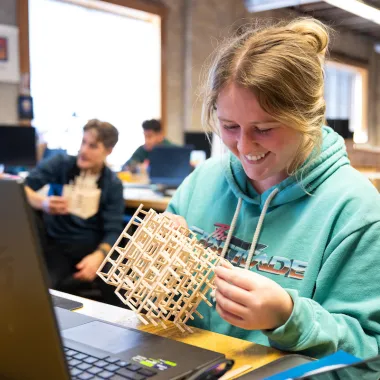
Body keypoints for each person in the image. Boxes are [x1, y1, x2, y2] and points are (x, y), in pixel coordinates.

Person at [166, 18, 380, 359]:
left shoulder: (357, 212)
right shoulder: (201, 183)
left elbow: (370, 355)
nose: (244, 145)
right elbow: (164, 311)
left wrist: (289, 317)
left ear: (309, 118)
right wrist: (162, 268)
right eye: (229, 126)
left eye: (264, 128)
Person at [24, 119, 124, 304]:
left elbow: (114, 230)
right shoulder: (61, 164)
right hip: (57, 247)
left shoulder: (113, 184)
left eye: (92, 146)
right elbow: (22, 188)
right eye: (83, 142)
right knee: (42, 293)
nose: (83, 150)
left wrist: (98, 257)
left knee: (120, 290)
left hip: (92, 249)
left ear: (108, 151)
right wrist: (43, 203)